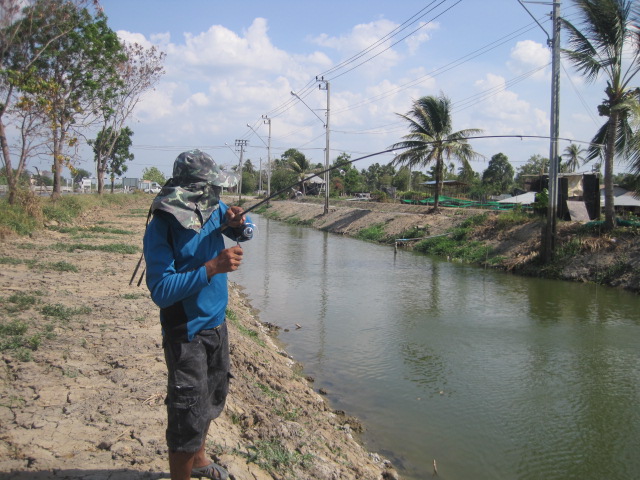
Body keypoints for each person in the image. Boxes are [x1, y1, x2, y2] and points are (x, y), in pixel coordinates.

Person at [143, 149, 251, 480]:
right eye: (209, 187)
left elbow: (244, 232)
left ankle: (201, 459)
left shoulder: (211, 209)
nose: (215, 195)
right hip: (186, 331)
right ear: (190, 188)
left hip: (216, 323)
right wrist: (212, 267)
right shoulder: (162, 225)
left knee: (211, 397)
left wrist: (239, 224)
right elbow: (162, 291)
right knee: (187, 410)